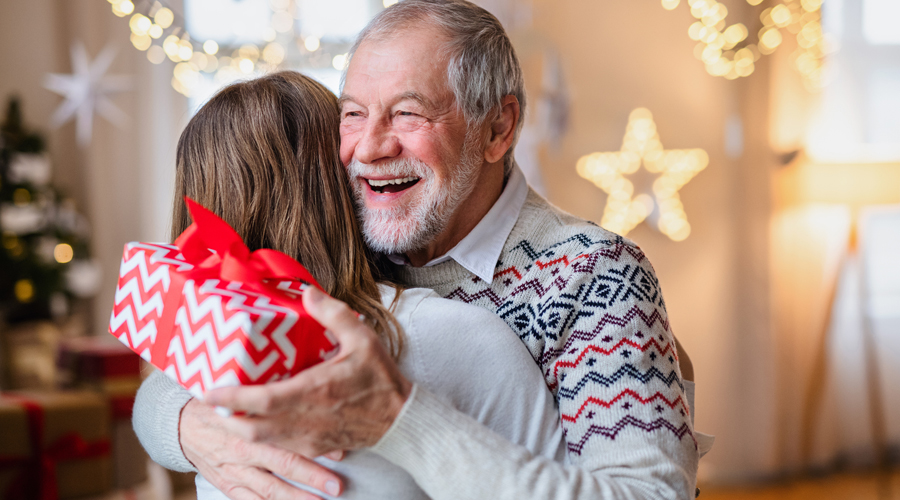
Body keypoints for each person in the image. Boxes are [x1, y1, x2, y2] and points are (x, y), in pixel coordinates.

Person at [137, 0, 708, 498]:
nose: (370, 148)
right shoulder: (351, 236)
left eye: (408, 113)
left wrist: (399, 418)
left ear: (497, 128)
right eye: (353, 114)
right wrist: (188, 426)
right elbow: (176, 368)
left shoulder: (597, 275)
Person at [134, 70, 568, 499]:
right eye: (353, 128)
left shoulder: (198, 345)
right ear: (336, 182)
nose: (372, 153)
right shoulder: (440, 332)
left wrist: (177, 423)